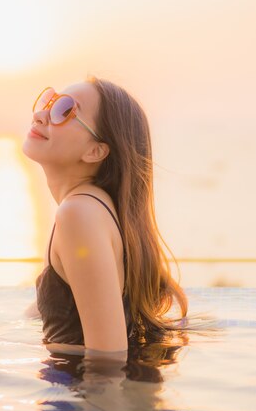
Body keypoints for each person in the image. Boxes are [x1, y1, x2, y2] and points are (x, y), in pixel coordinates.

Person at [22, 76, 189, 359]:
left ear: (95, 151)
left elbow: (108, 357)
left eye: (64, 110)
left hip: (82, 398)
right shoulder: (95, 208)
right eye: (48, 102)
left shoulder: (79, 213)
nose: (40, 115)